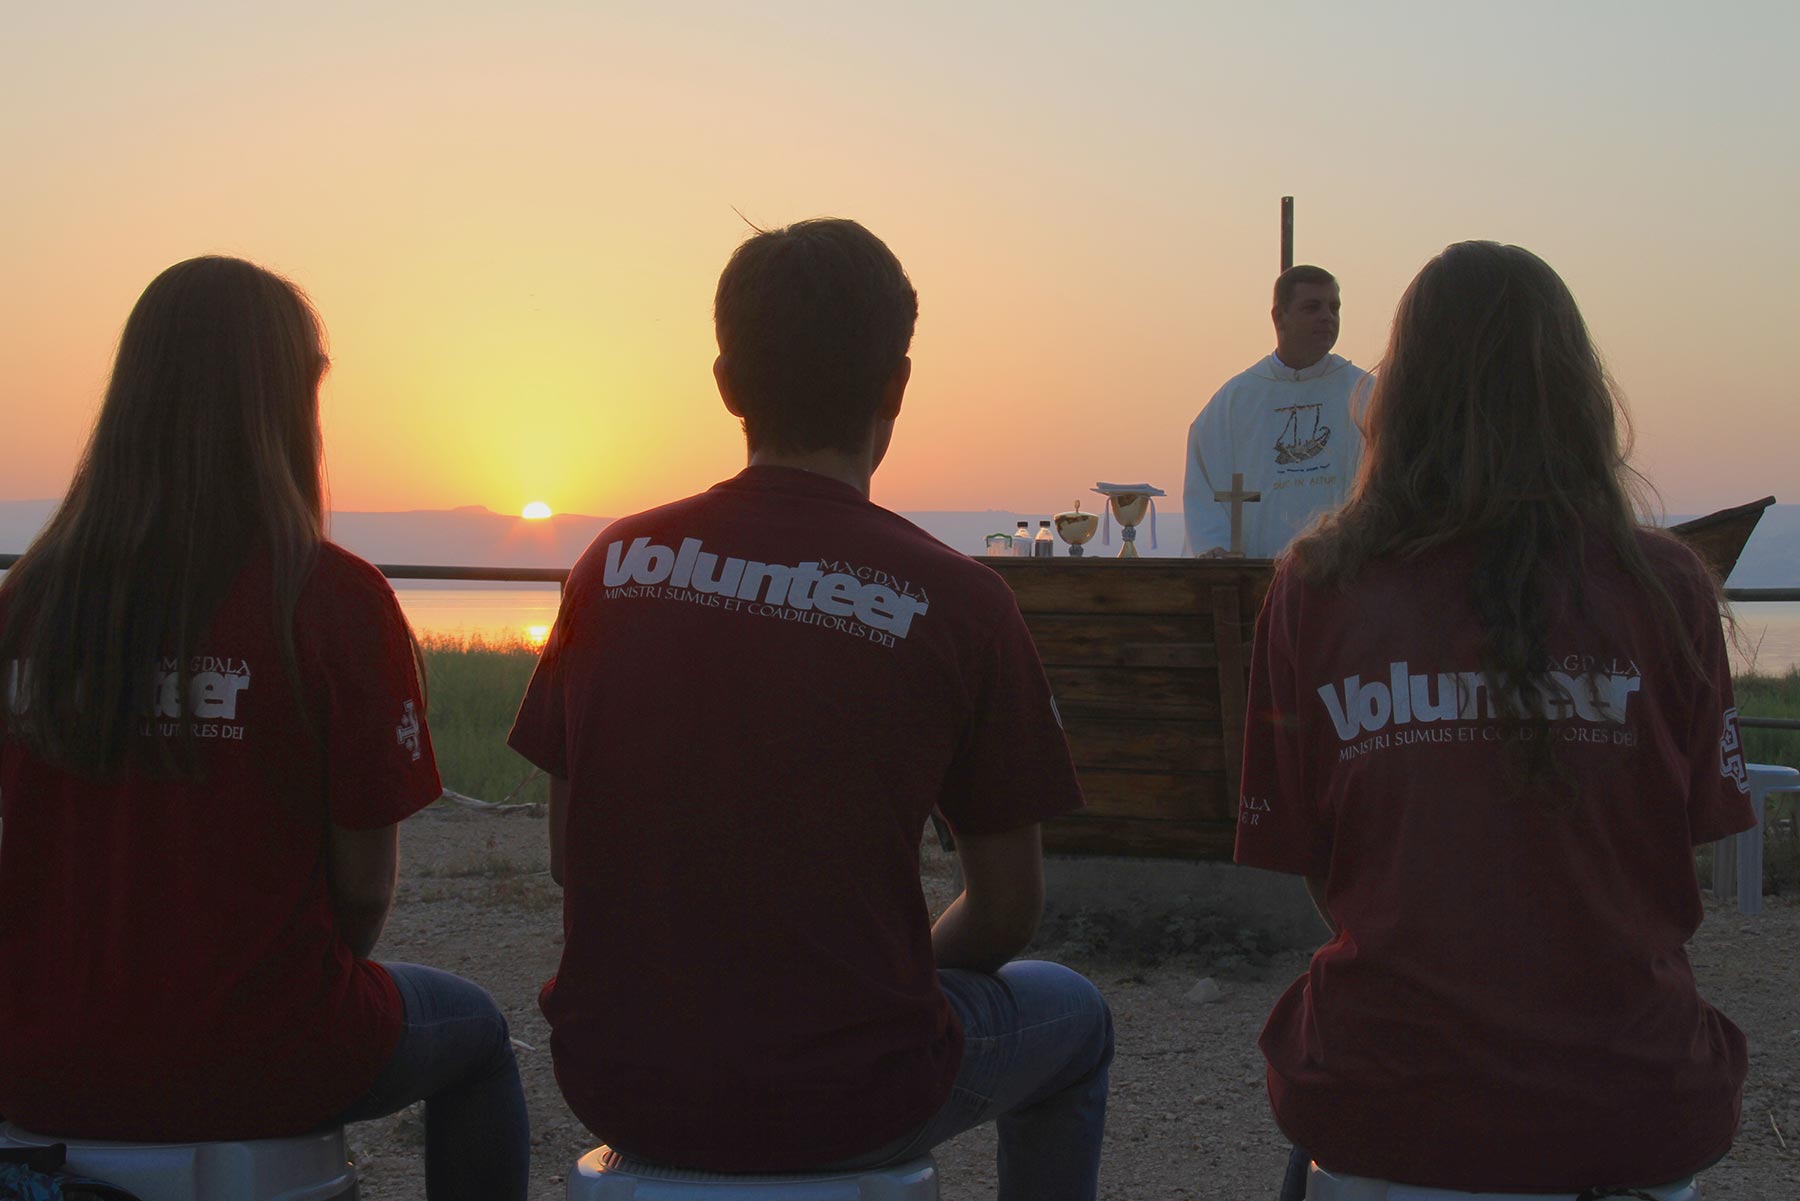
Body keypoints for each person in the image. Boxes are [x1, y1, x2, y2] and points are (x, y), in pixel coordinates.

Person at [508, 218, 1113, 1200]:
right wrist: (883, 981)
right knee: (1076, 1020)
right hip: (850, 1097)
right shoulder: (961, 601)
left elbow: (569, 854)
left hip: (619, 1084)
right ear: (896, 386)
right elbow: (1007, 909)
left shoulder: (609, 566)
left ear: (727, 383)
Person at [0, 257, 528, 1201]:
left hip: (36, 1058)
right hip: (262, 1052)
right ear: (288, 400)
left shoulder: (29, 600)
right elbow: (363, 891)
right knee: (481, 1034)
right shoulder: (330, 599)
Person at [1234, 242, 1755, 1198]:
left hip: (1385, 1097)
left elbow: (1324, 859)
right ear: (1575, 394)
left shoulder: (1321, 590)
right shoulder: (1665, 587)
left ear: (1399, 395)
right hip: (1628, 1101)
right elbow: (1675, 839)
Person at [1182, 265, 1368, 558]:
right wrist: (1214, 548)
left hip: (1341, 574)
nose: (1327, 317)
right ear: (1279, 317)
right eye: (1312, 307)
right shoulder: (1235, 401)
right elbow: (1202, 489)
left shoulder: (1365, 395)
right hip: (1252, 580)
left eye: (1334, 308)